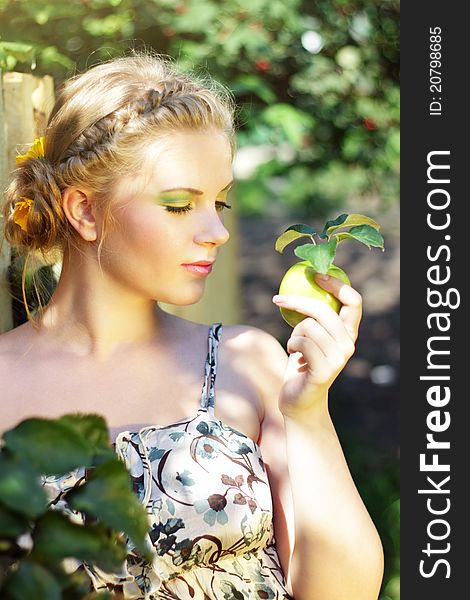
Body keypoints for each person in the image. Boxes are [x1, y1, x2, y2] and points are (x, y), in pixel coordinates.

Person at [0, 52, 384, 600]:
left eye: (220, 203)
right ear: (84, 211)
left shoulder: (246, 362)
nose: (216, 232)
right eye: (180, 204)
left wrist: (309, 412)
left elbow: (342, 593)